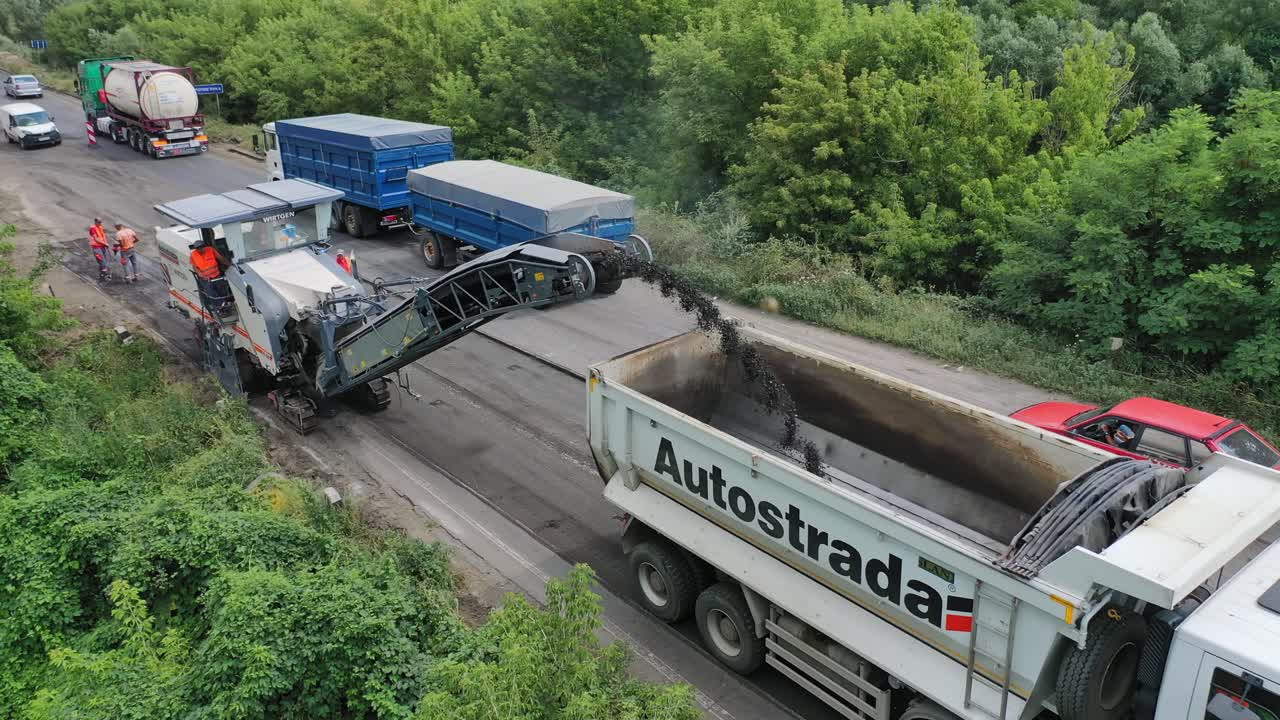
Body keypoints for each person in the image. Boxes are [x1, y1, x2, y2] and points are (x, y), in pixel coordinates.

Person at [189, 240, 229, 312]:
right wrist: (199, 273)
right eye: (198, 248)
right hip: (205, 278)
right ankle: (221, 306)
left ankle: (224, 304)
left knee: (222, 290)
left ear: (204, 246)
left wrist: (229, 264)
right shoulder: (193, 255)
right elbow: (194, 266)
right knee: (211, 293)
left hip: (216, 275)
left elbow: (220, 259)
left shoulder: (210, 250)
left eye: (201, 247)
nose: (200, 249)